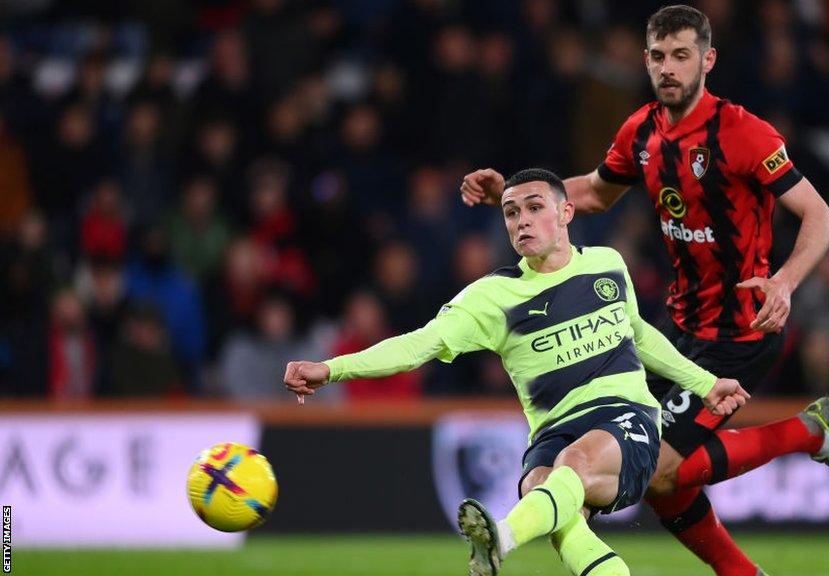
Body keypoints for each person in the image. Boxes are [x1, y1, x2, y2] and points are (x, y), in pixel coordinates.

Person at [460, 6, 829, 576]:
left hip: (740, 332)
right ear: (645, 60)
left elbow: (820, 217)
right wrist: (518, 193)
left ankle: (811, 432)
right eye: (658, 56)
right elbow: (593, 194)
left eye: (681, 56)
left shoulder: (744, 133)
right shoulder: (641, 131)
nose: (668, 68)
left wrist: (785, 282)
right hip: (675, 329)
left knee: (662, 469)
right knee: (654, 477)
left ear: (707, 60)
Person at [283, 168, 750, 576]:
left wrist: (705, 384)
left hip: (626, 418)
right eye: (510, 212)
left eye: (533, 207)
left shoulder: (607, 264)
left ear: (566, 212)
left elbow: (640, 335)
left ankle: (500, 539)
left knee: (573, 468)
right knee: (542, 490)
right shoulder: (492, 298)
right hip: (553, 430)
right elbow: (418, 345)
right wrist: (332, 368)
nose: (521, 220)